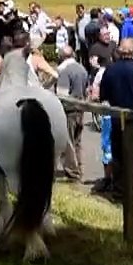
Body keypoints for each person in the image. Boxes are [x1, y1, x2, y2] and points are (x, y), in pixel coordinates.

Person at [97, 38, 133, 203]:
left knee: (118, 157)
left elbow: (104, 96)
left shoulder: (110, 71)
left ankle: (118, 191)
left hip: (117, 120)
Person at [56, 44, 90, 182]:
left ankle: (72, 170)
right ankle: (78, 166)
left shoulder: (64, 71)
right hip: (80, 107)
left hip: (68, 109)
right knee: (77, 140)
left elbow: (62, 93)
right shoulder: (82, 69)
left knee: (67, 140)